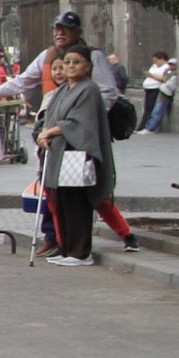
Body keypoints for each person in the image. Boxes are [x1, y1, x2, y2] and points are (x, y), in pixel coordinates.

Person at [0, 13, 137, 253]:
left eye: (66, 29)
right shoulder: (49, 60)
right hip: (55, 141)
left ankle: (110, 239)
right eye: (56, 28)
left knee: (88, 193)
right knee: (56, 193)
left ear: (78, 32)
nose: (59, 33)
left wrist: (87, 121)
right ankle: (58, 239)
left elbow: (106, 94)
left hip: (81, 140)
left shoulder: (91, 63)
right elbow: (24, 80)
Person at [36, 46, 114, 266]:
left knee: (76, 203)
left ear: (88, 66)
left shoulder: (89, 89)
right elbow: (49, 118)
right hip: (58, 154)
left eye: (76, 62)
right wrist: (43, 135)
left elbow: (81, 122)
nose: (70, 66)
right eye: (67, 62)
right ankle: (66, 247)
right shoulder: (62, 90)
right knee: (61, 201)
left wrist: (51, 131)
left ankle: (81, 252)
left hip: (77, 154)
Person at [142, 50, 176, 133]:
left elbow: (164, 79)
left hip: (165, 92)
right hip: (160, 91)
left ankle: (150, 128)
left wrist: (151, 75)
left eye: (172, 64)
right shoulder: (166, 70)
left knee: (157, 110)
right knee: (152, 109)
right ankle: (146, 126)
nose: (170, 66)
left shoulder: (173, 72)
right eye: (170, 64)